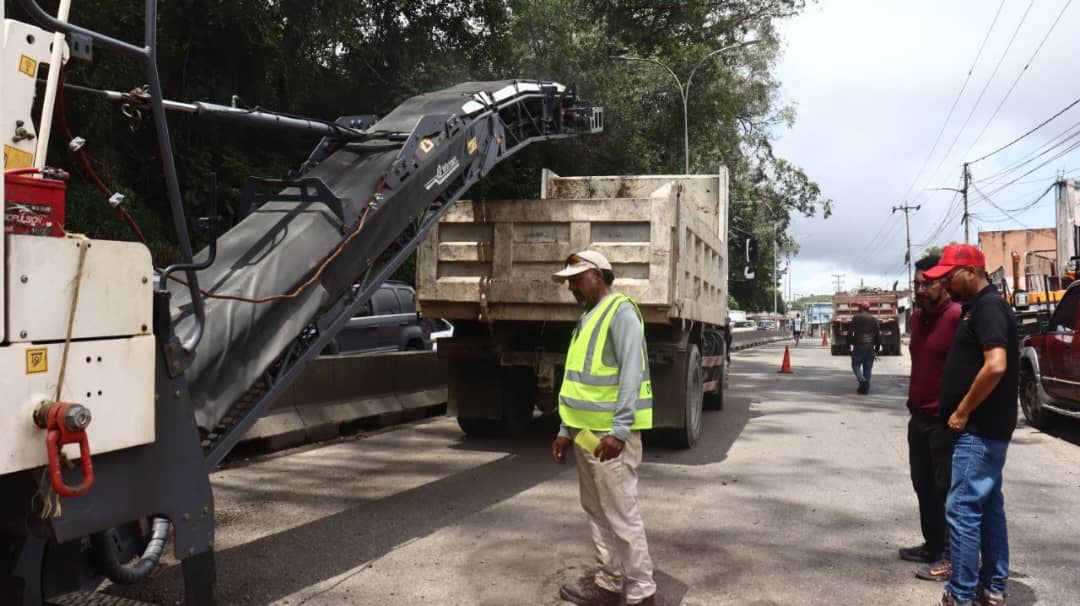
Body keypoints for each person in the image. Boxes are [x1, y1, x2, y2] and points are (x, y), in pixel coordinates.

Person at [550, 250, 657, 606]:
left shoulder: (621, 311)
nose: (571, 288)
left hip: (610, 438)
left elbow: (631, 373)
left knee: (622, 514)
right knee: (596, 512)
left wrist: (620, 431)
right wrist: (566, 431)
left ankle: (642, 592)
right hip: (585, 434)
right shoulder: (587, 317)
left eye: (576, 280)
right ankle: (609, 583)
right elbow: (577, 382)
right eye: (568, 282)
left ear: (597, 275)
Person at [921, 244, 1018, 606]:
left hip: (977, 431)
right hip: (984, 430)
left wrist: (961, 412)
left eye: (951, 274)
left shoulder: (989, 308)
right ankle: (993, 589)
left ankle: (960, 595)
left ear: (972, 272)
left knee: (962, 511)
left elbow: (995, 365)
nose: (946, 281)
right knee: (989, 508)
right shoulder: (976, 308)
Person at [899, 256, 961, 583]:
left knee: (946, 490)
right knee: (922, 485)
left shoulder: (957, 317)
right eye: (917, 283)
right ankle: (933, 544)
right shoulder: (918, 319)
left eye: (928, 283)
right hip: (919, 417)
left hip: (944, 421)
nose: (921, 289)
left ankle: (952, 557)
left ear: (945, 282)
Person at [850, 300, 880, 394]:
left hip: (859, 345)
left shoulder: (856, 318)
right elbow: (877, 334)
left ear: (860, 308)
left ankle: (862, 379)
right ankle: (865, 387)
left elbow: (850, 333)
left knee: (855, 365)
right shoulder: (874, 319)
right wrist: (877, 347)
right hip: (870, 346)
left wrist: (848, 344)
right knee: (868, 367)